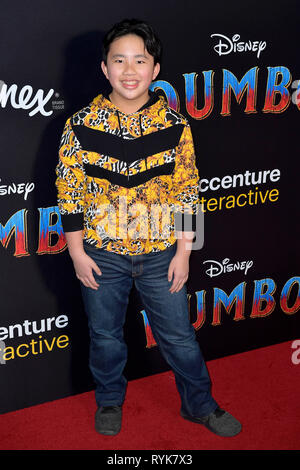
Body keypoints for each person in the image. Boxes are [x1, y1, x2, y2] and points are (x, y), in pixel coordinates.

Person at [55, 18, 241, 438]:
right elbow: (69, 194)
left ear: (155, 69)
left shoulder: (176, 126)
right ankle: (109, 401)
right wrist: (77, 252)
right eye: (119, 60)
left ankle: (200, 406)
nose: (130, 69)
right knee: (105, 337)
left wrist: (183, 253)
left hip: (161, 256)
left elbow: (187, 192)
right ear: (105, 68)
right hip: (101, 255)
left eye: (140, 59)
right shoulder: (79, 125)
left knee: (179, 339)